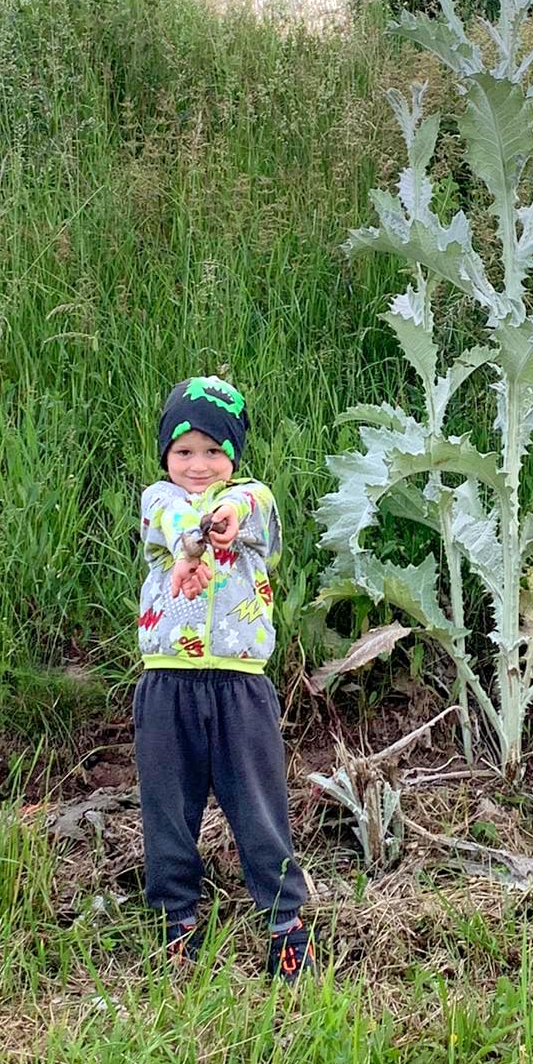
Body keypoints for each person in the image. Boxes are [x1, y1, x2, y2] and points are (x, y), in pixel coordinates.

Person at [132, 373, 317, 983]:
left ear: (232, 456)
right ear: (166, 455)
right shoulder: (158, 500)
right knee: (167, 811)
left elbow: (248, 505)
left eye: (214, 451)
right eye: (185, 451)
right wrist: (192, 547)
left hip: (240, 686)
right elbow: (173, 520)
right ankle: (175, 926)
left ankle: (287, 927)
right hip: (167, 686)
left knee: (260, 811)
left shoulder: (254, 503)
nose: (198, 464)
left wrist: (226, 518)